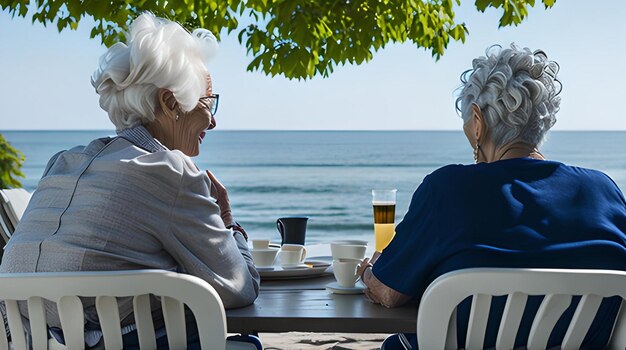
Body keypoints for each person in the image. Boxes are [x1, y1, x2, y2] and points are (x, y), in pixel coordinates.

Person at [0, 13, 260, 349]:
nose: (213, 122)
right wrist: (230, 226)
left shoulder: (63, 163)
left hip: (47, 343)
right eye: (208, 104)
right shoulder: (171, 170)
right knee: (247, 343)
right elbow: (238, 287)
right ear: (170, 103)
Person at [358, 44, 626, 349]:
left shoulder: (447, 189)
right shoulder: (604, 191)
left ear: (477, 121)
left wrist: (370, 273)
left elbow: (390, 292)